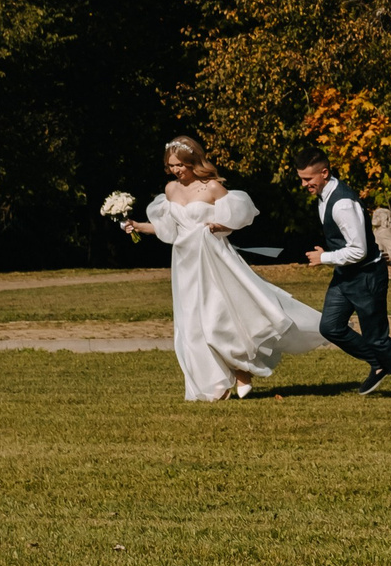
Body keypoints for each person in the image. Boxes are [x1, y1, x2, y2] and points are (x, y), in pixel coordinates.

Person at [124, 135, 326, 401]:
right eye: (171, 165)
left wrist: (221, 226)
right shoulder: (170, 190)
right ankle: (216, 384)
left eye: (180, 164)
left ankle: (242, 368)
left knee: (221, 316)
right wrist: (138, 226)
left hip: (213, 257)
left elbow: (238, 218)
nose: (176, 170)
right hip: (185, 264)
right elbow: (168, 229)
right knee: (193, 324)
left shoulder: (212, 188)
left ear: (192, 161)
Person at [295, 146, 391, 399]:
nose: (304, 184)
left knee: (377, 338)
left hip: (367, 276)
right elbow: (347, 243)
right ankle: (379, 364)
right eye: (301, 178)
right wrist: (331, 251)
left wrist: (324, 257)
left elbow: (359, 250)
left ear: (324, 173)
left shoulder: (343, 204)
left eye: (308, 179)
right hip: (346, 275)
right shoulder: (325, 196)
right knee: (331, 327)